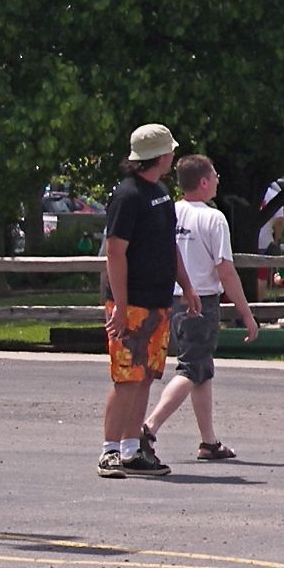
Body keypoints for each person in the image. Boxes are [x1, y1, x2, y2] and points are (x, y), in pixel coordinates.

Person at [99, 124, 200, 479]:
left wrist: (187, 286)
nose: (173, 154)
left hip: (158, 301)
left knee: (145, 377)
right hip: (131, 302)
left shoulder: (160, 193)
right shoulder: (128, 195)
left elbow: (169, 245)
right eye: (170, 149)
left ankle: (131, 449)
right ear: (159, 155)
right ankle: (109, 450)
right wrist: (120, 305)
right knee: (126, 377)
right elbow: (115, 251)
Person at [142, 155, 258, 462]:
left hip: (171, 299)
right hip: (201, 301)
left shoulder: (169, 211)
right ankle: (149, 427)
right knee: (191, 368)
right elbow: (226, 270)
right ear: (204, 182)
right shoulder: (213, 218)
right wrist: (246, 313)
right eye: (215, 175)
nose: (218, 180)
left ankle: (209, 441)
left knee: (201, 369)